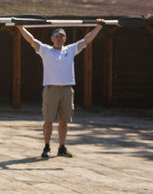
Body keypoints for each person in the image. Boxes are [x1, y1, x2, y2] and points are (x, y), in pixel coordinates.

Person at [16, 21, 105, 158]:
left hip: (67, 90)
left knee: (64, 121)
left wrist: (98, 27)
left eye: (62, 36)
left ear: (65, 38)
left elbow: (86, 40)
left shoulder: (70, 49)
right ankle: (46, 146)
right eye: (57, 36)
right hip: (51, 89)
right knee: (48, 120)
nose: (59, 39)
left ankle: (62, 147)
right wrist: (21, 27)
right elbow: (31, 40)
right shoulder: (46, 50)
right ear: (52, 39)